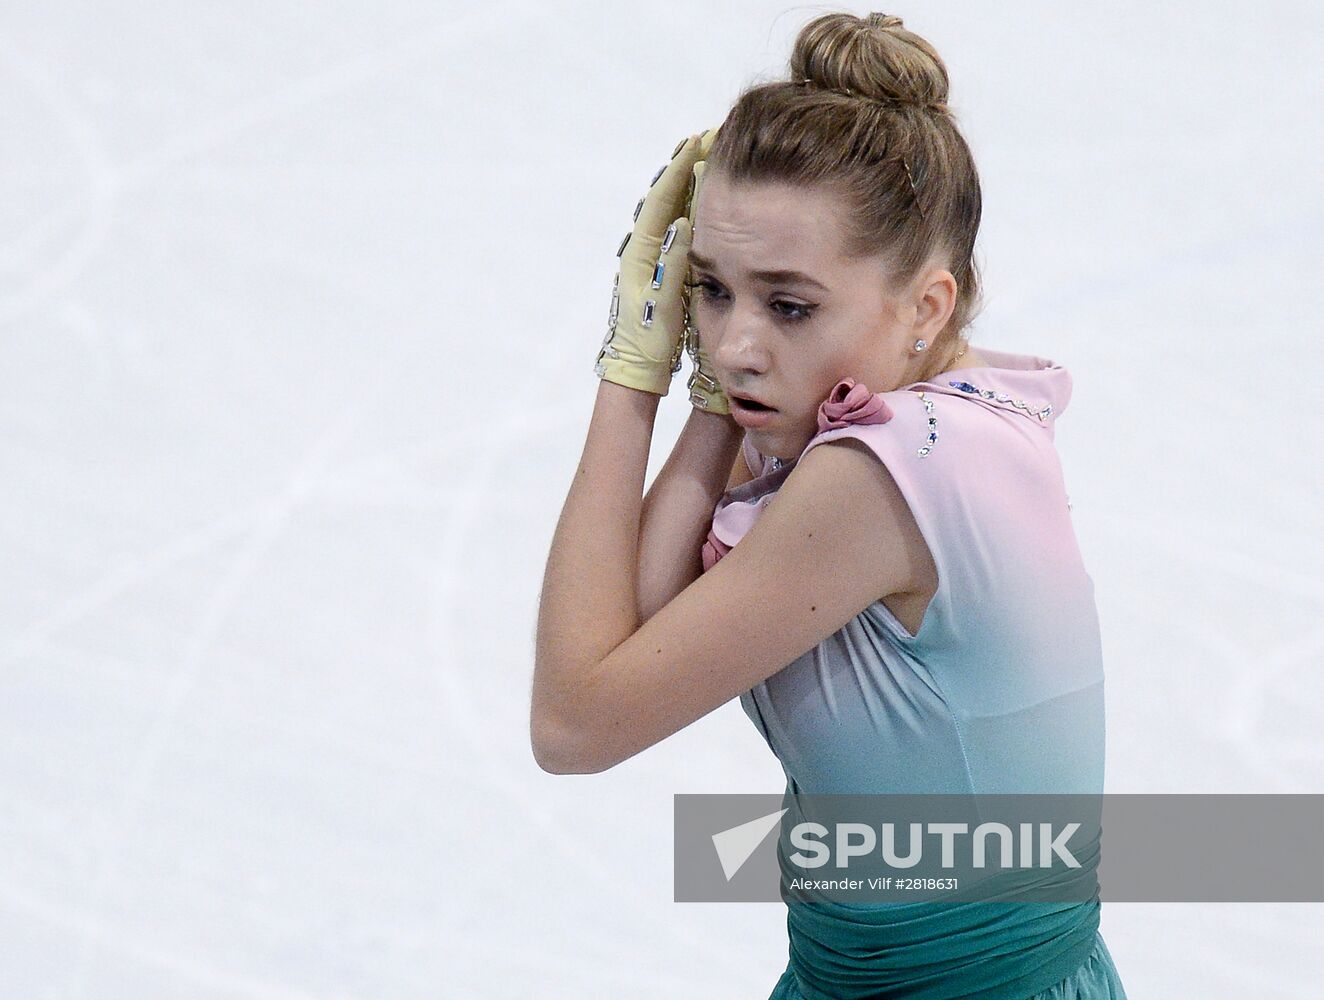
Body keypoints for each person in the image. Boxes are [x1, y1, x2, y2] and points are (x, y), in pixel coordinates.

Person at [531, 10, 1127, 999]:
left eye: (789, 304)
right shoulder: (944, 415)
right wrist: (723, 401)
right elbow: (639, 617)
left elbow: (575, 722)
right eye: (708, 291)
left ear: (926, 307)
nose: (732, 343)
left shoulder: (880, 474)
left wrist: (632, 378)